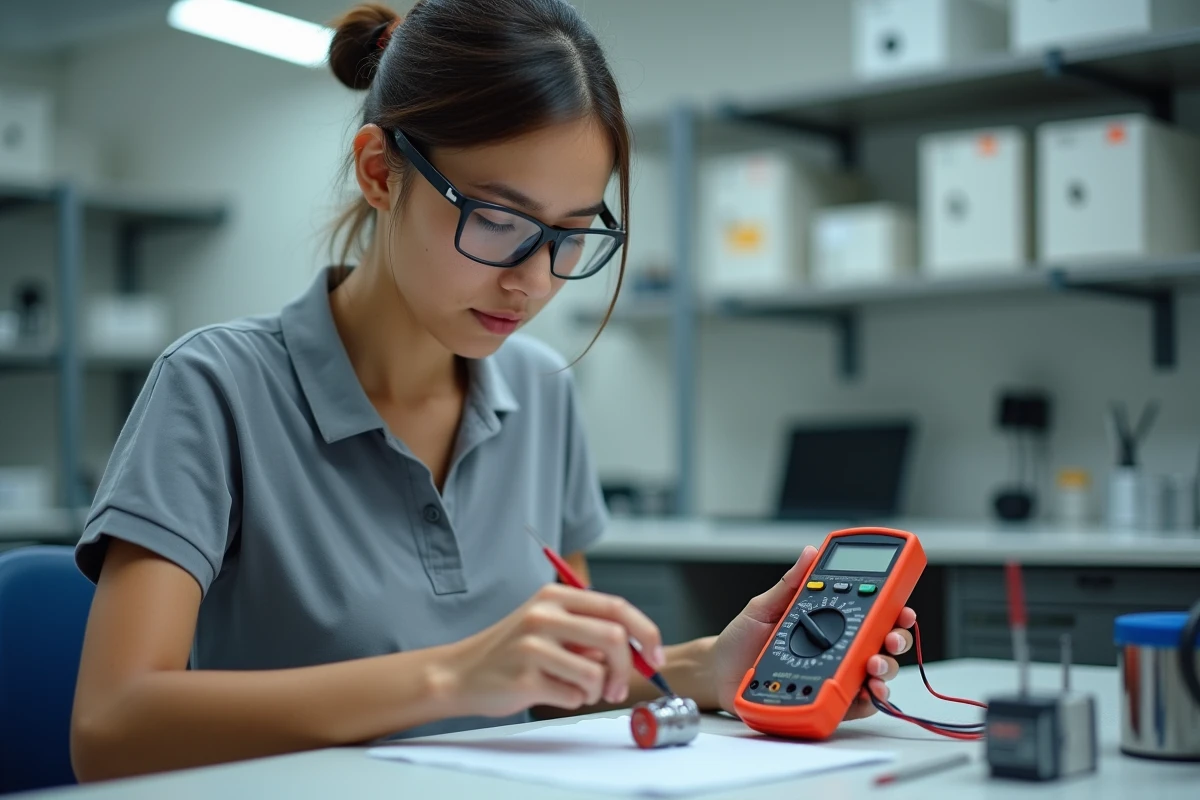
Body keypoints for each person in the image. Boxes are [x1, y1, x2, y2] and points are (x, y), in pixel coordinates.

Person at [69, 0, 916, 783]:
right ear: (379, 173)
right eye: (500, 222)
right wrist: (453, 676)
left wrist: (710, 668)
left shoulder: (540, 396)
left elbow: (561, 685)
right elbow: (109, 729)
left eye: (572, 236)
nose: (533, 283)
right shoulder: (216, 388)